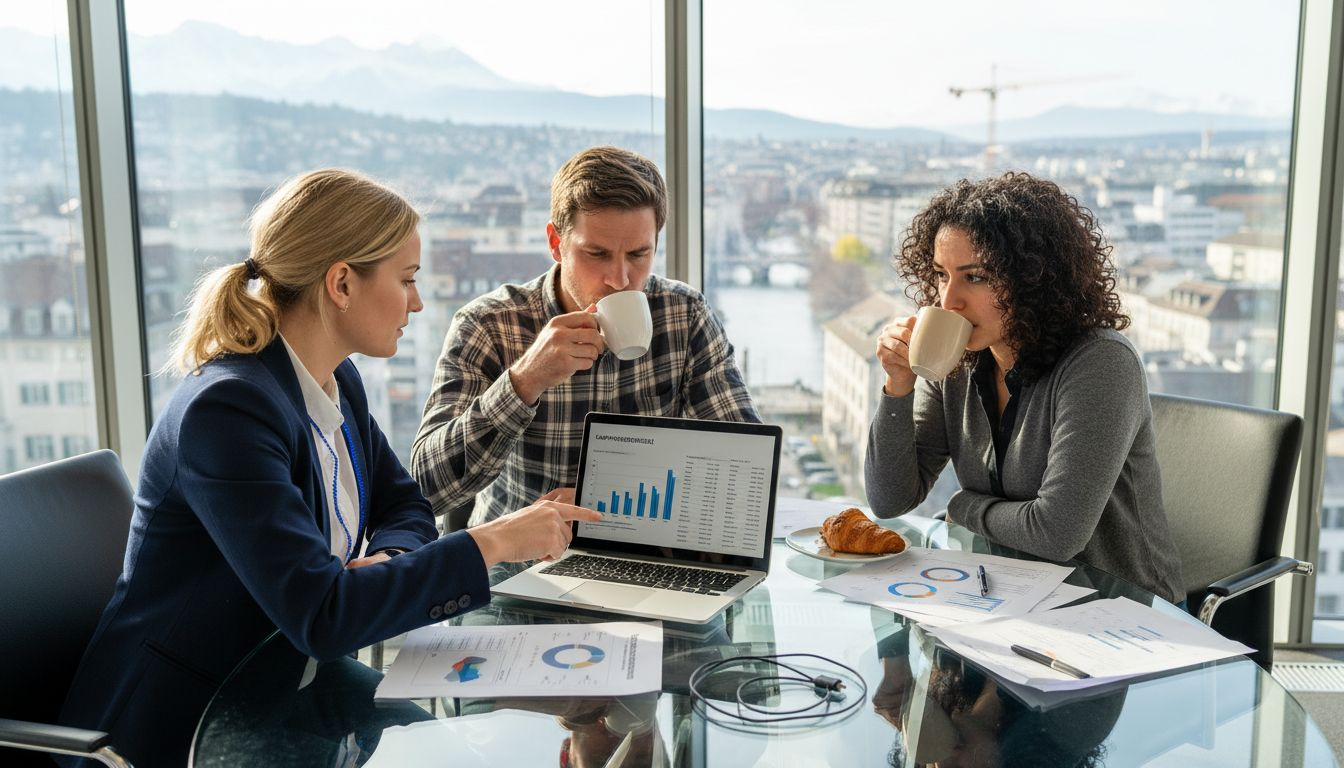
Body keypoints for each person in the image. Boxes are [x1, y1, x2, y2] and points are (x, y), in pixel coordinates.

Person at [57, 169, 601, 768]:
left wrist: (390, 564)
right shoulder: (226, 412)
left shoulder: (335, 379)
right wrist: (493, 541)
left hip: (294, 687)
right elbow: (325, 616)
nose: (417, 302)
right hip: (177, 724)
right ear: (342, 282)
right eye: (407, 279)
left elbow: (407, 505)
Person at [865, 172, 1184, 604]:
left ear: (1033, 278)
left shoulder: (1101, 363)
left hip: (1118, 613)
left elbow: (1056, 533)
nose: (948, 301)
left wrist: (962, 508)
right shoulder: (957, 358)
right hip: (1003, 594)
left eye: (975, 276)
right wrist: (897, 386)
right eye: (942, 275)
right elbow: (891, 499)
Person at [412, 145, 758, 526]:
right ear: (556, 243)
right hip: (519, 566)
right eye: (597, 254)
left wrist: (608, 503)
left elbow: (746, 467)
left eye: (639, 254)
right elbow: (427, 488)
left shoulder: (684, 315)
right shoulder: (489, 325)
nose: (620, 279)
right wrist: (524, 381)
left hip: (643, 549)